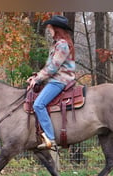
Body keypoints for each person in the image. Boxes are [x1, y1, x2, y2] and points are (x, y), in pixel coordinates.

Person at [27, 15, 76, 149]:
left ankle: (51, 139)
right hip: (54, 79)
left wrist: (38, 79)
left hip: (59, 81)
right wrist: (36, 76)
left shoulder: (62, 45)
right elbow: (49, 66)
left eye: (50, 28)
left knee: (38, 104)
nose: (49, 30)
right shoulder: (57, 44)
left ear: (57, 29)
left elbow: (54, 67)